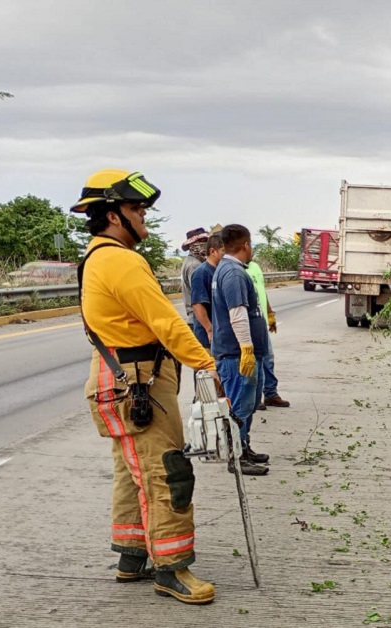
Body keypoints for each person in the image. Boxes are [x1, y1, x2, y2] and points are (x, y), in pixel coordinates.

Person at [71, 169, 219, 605]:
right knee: (165, 472)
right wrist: (209, 367)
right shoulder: (120, 259)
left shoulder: (96, 257)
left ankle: (132, 556)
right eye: (137, 209)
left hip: (117, 377)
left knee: (131, 470)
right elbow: (166, 322)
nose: (144, 219)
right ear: (114, 216)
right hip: (139, 383)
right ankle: (172, 569)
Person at [211, 224, 270, 475]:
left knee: (249, 403)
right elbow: (237, 314)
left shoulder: (231, 269)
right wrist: (246, 347)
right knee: (239, 406)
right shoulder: (233, 273)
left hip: (241, 352)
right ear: (245, 245)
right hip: (236, 354)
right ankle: (236, 456)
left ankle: (243, 447)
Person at [245, 259, 290, 409]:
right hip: (249, 322)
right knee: (255, 360)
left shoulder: (255, 267)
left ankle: (270, 393)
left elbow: (261, 291)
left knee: (268, 359)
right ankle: (254, 397)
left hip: (261, 321)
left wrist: (270, 313)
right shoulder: (237, 270)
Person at [189, 234, 223, 351]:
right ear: (213, 251)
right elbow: (198, 304)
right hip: (208, 339)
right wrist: (209, 329)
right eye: (224, 251)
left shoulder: (219, 271)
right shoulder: (201, 272)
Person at [180, 228, 208, 326]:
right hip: (199, 320)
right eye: (202, 242)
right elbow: (199, 299)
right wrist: (208, 328)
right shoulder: (194, 266)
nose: (206, 245)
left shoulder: (196, 262)